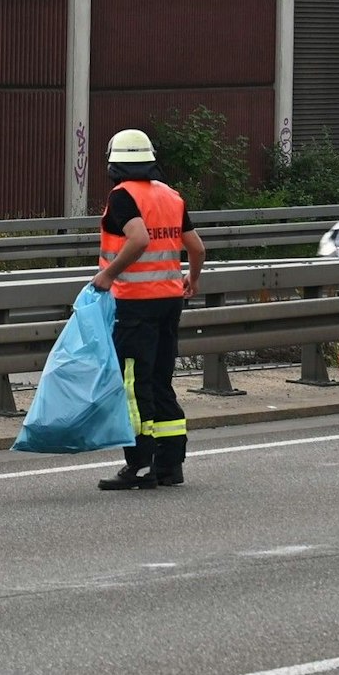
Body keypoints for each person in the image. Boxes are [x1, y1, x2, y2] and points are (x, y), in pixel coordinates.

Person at [89, 128, 206, 490]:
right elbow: (197, 248)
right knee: (159, 381)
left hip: (135, 305)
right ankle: (170, 465)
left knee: (132, 386)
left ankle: (139, 466)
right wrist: (193, 280)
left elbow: (138, 238)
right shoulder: (171, 196)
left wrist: (108, 275)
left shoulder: (122, 196)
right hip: (169, 300)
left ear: (115, 165)